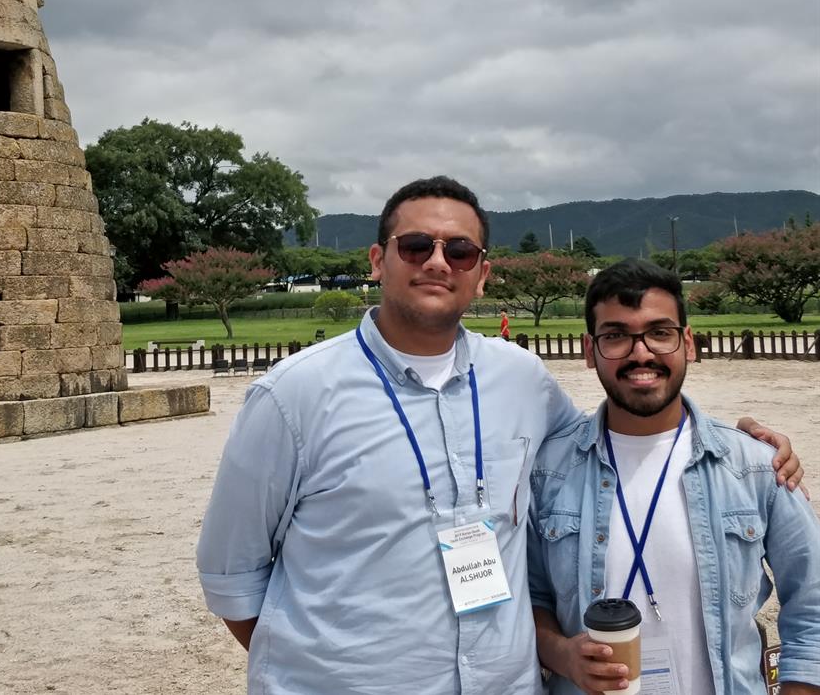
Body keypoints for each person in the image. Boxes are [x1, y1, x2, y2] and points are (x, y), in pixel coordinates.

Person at [197, 178, 803, 695]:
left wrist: (742, 445)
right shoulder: (293, 396)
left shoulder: (520, 378)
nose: (438, 261)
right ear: (378, 260)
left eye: (459, 251)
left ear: (482, 275)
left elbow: (615, 432)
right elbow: (233, 577)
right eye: (416, 246)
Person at [527, 259, 820, 694]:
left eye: (659, 333)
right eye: (616, 336)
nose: (640, 352)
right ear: (590, 352)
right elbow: (529, 598)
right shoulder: (548, 472)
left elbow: (811, 602)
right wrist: (561, 653)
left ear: (688, 343)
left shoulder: (756, 466)